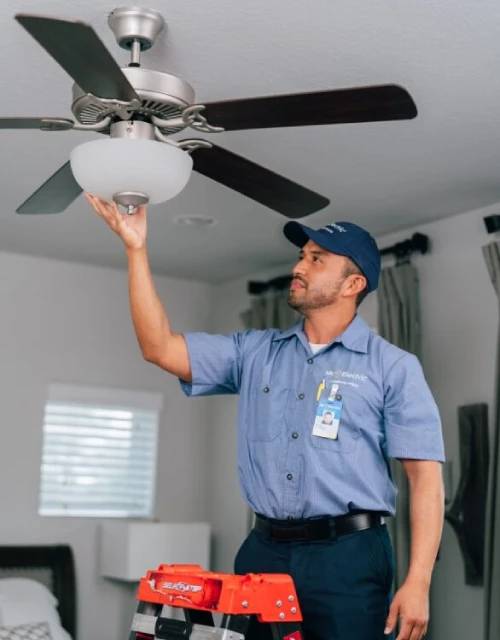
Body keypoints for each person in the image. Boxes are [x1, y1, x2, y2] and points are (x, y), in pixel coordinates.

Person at [85, 194, 445, 640]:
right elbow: (159, 347)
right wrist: (135, 249)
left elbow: (425, 479)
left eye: (317, 259)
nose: (299, 267)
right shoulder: (255, 353)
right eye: (301, 256)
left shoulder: (392, 367)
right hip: (263, 553)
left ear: (353, 285)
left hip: (349, 557)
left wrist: (419, 582)